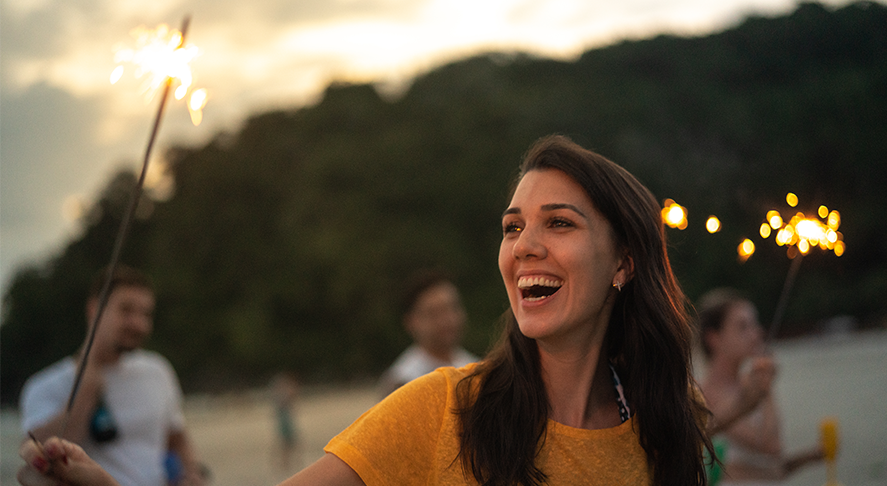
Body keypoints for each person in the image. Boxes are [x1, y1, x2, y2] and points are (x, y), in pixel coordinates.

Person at [19, 135, 712, 486]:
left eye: (558, 223)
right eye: (511, 227)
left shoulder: (665, 424)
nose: (525, 245)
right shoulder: (441, 408)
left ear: (623, 262)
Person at [18, 264, 205, 486]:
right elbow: (44, 460)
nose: (138, 323)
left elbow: (177, 438)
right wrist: (86, 392)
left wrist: (192, 474)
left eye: (145, 314)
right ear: (93, 309)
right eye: (126, 310)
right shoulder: (44, 386)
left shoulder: (158, 370)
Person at [697, 288, 824, 485]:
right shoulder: (705, 396)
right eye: (743, 326)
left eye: (754, 324)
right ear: (714, 337)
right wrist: (765, 390)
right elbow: (770, 446)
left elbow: (770, 469)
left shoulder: (748, 388)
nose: (757, 333)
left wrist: (812, 456)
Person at [377, 269, 478, 396]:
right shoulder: (402, 382)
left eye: (452, 308)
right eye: (434, 313)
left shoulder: (476, 368)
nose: (447, 320)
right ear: (411, 322)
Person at [270, 371, 302, 471]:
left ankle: (285, 462)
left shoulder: (279, 393)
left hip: (285, 417)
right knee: (287, 441)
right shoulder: (282, 393)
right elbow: (286, 401)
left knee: (287, 441)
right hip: (284, 418)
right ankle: (284, 463)